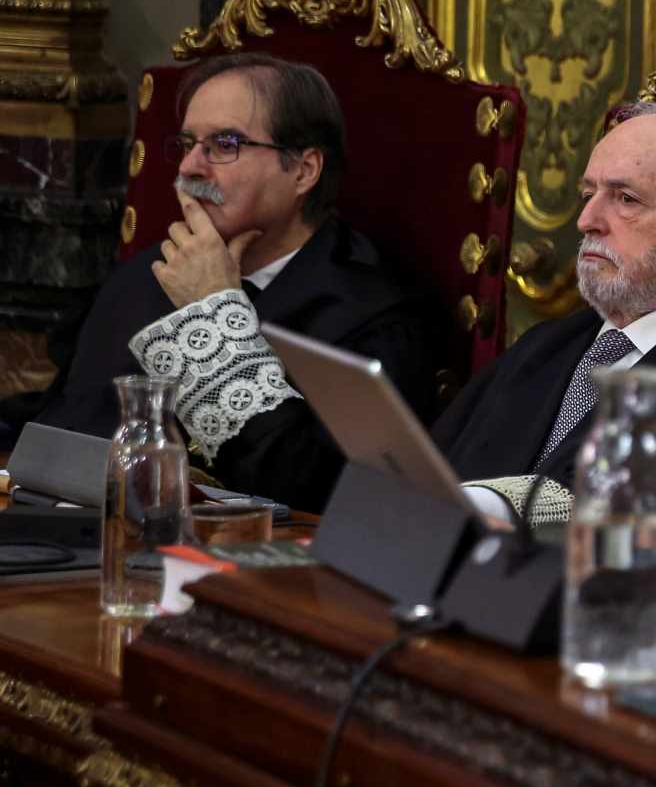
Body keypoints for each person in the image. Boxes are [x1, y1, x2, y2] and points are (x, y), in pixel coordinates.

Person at [35, 53, 432, 511]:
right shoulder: (147, 276)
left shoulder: (372, 315)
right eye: (186, 144)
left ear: (303, 170)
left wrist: (214, 312)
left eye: (224, 145)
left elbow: (321, 495)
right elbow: (70, 437)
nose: (188, 169)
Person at [430, 101, 656, 519]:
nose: (587, 220)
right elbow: (429, 472)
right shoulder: (546, 345)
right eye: (588, 195)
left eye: (626, 199)